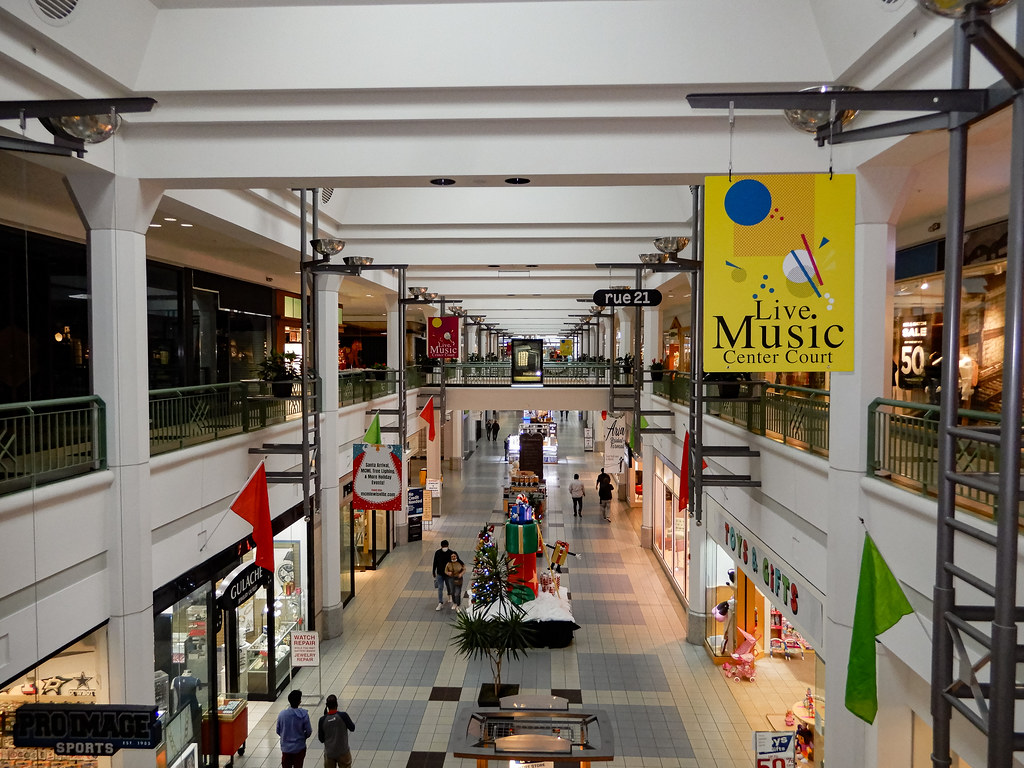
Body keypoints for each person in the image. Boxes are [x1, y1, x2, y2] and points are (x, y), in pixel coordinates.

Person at [276, 689, 312, 768]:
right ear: (299, 702)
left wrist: (285, 736)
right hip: (299, 747)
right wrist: (303, 737)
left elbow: (278, 730)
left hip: (286, 749)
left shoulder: (282, 714)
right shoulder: (304, 715)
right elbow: (309, 731)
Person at [317, 694, 355, 768]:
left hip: (329, 753)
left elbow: (321, 739)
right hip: (343, 751)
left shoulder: (322, 720)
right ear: (337, 704)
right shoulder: (343, 716)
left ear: (327, 706)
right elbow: (352, 728)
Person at [431, 540, 460, 610]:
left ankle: (451, 598)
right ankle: (440, 602)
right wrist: (433, 571)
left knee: (450, 587)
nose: (445, 548)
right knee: (440, 588)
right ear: (441, 546)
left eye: (445, 546)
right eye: (444, 546)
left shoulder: (451, 553)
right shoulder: (437, 553)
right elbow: (435, 562)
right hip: (440, 574)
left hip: (448, 575)